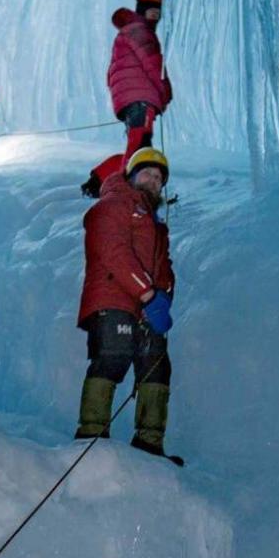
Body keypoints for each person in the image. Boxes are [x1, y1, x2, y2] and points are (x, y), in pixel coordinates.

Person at [75, 147, 181, 463]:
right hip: (113, 297)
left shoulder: (155, 223)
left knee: (157, 366)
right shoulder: (115, 204)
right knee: (113, 355)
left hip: (145, 305)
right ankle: (90, 434)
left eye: (159, 178)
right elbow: (112, 250)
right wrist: (148, 293)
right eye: (147, 173)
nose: (153, 180)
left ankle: (150, 444)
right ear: (132, 176)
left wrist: (163, 297)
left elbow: (163, 267)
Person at [85, 0, 172, 196]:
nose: (155, 14)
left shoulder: (130, 29)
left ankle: (99, 179)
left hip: (132, 97)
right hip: (140, 97)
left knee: (139, 145)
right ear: (141, 9)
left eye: (158, 12)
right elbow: (153, 63)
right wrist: (165, 91)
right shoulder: (139, 30)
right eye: (151, 9)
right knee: (140, 147)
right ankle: (122, 191)